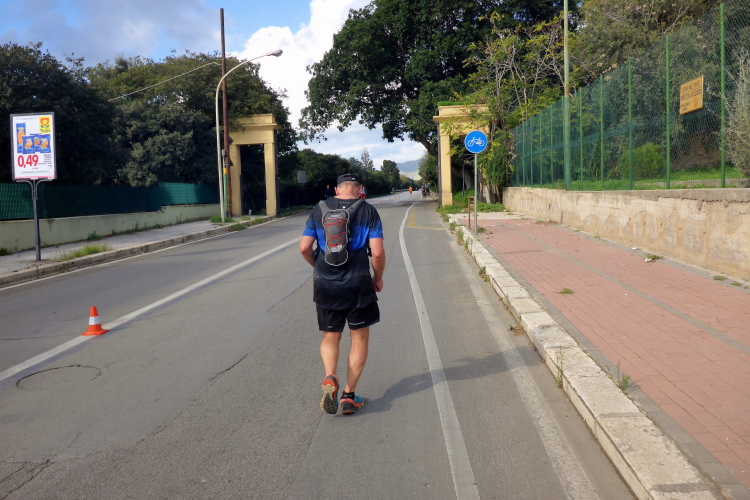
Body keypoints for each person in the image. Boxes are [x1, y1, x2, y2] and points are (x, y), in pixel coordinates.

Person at [300, 173, 385, 415]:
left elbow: (304, 247)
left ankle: (330, 376)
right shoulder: (368, 210)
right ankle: (349, 396)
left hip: (325, 283)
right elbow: (377, 253)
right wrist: (377, 277)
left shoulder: (319, 209)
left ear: (337, 190)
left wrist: (318, 265)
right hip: (358, 283)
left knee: (330, 336)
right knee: (359, 338)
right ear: (360, 190)